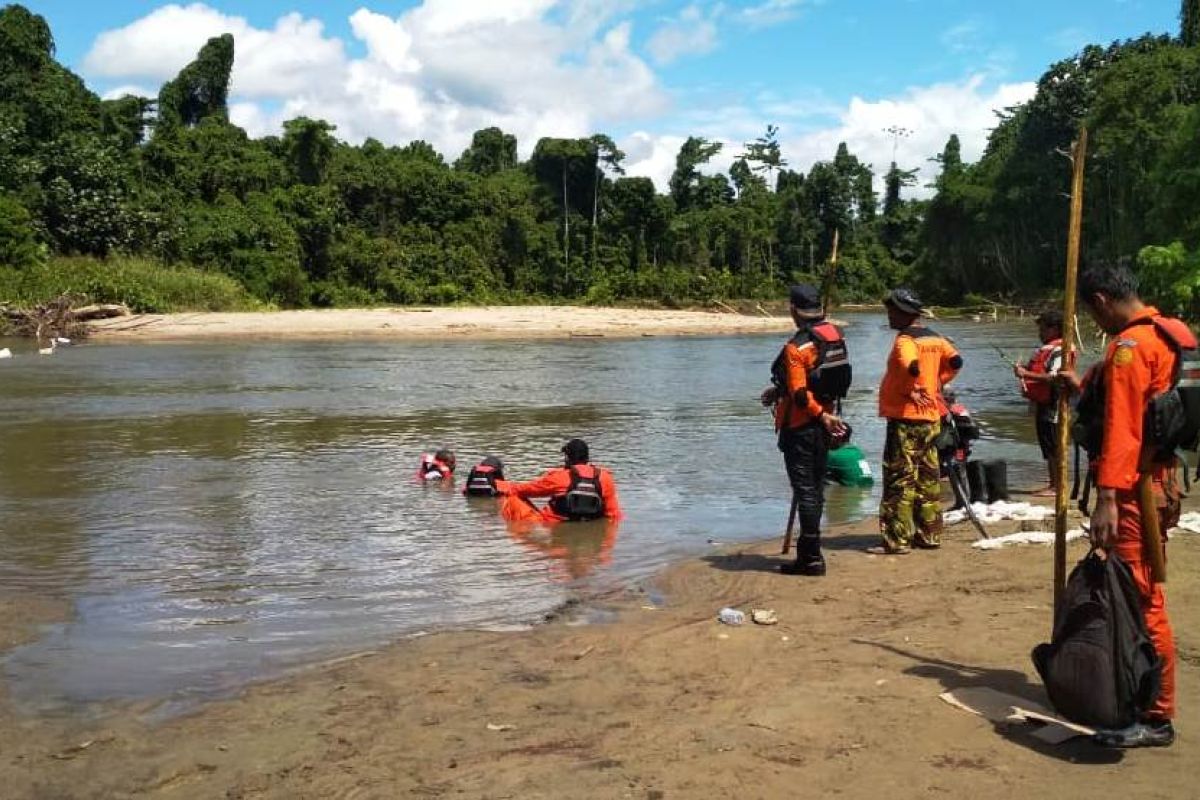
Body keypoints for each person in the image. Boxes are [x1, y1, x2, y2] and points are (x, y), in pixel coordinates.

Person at [1057, 262, 1189, 748]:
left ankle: (1155, 716)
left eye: (1094, 316)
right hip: (1162, 481)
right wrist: (1079, 387)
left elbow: (1125, 430)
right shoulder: (1168, 335)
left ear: (1101, 303)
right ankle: (1143, 698)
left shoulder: (1130, 348)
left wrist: (1107, 499)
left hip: (1136, 491)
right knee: (1141, 592)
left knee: (1141, 599)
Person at [760, 283, 849, 576]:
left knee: (806, 490)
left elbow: (800, 393)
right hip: (827, 420)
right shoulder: (835, 335)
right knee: (816, 487)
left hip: (803, 425)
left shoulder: (797, 347)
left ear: (793, 310)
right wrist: (778, 391)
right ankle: (811, 551)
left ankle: (810, 557)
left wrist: (819, 416)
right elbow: (816, 380)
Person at [875, 288, 963, 554]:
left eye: (892, 311)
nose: (889, 316)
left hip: (906, 417)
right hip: (931, 418)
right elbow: (956, 361)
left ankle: (898, 540)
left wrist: (913, 386)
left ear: (904, 313)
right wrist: (937, 382)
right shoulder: (934, 338)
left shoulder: (905, 340)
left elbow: (909, 364)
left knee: (899, 478)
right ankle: (929, 534)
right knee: (927, 476)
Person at [496, 439, 622, 523]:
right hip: (590, 526)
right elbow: (614, 514)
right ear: (587, 457)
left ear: (567, 457)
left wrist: (500, 485)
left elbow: (524, 490)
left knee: (512, 498)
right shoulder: (606, 477)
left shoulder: (558, 477)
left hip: (553, 524)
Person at [1014, 310, 1064, 496]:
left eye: (1043, 329)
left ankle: (1056, 486)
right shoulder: (1049, 349)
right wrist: (1024, 369)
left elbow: (1055, 378)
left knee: (1053, 445)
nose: (1040, 333)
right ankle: (1054, 480)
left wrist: (1025, 374)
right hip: (1043, 403)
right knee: (1048, 444)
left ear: (1055, 329)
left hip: (1054, 404)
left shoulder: (1061, 350)